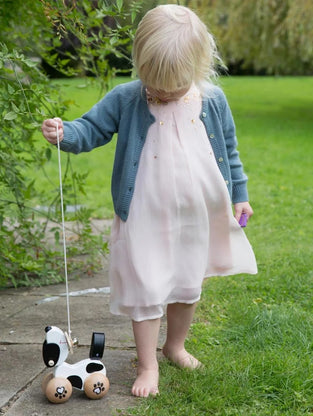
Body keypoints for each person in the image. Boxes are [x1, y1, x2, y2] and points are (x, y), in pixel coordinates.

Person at [41, 4, 257, 398]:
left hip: (195, 216)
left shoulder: (212, 100)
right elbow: (91, 128)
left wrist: (239, 195)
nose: (160, 92)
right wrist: (65, 134)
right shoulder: (127, 98)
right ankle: (147, 363)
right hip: (143, 214)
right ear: (140, 64)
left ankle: (174, 345)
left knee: (188, 285)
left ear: (196, 68)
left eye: (171, 86)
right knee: (146, 287)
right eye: (153, 82)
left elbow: (230, 149)